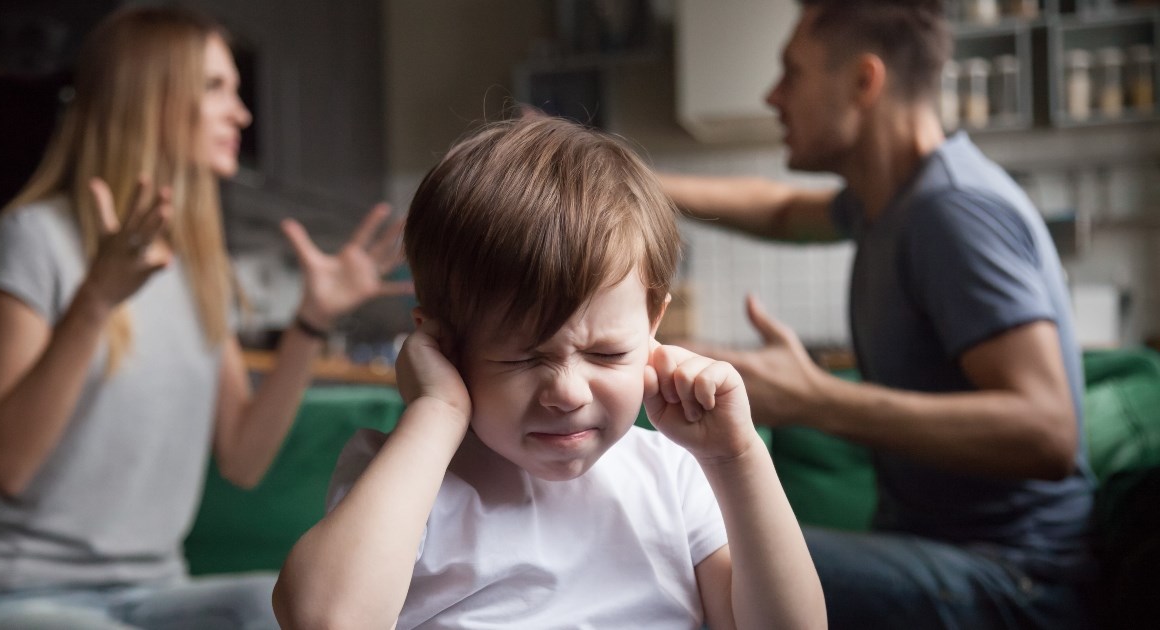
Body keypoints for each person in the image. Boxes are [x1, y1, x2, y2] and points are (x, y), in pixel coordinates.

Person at [271, 116, 827, 629]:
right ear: (440, 343)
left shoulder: (675, 477)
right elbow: (325, 620)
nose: (566, 392)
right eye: (521, 357)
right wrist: (436, 413)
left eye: (607, 354)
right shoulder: (403, 477)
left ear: (653, 322)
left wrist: (736, 458)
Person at [0, 6, 409, 629]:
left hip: (155, 591)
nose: (241, 114)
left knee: (281, 609)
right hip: (20, 593)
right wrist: (95, 301)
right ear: (152, 100)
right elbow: (3, 466)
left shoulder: (199, 265)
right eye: (217, 88)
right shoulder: (34, 238)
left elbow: (243, 459)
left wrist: (310, 322)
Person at [658, 0, 1096, 628]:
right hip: (951, 551)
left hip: (1015, 577)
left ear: (865, 81)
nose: (772, 96)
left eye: (793, 73)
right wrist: (625, 176)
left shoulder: (951, 211)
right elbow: (777, 208)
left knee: (707, 560)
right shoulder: (887, 201)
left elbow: (1049, 431)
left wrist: (815, 399)